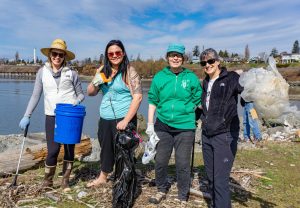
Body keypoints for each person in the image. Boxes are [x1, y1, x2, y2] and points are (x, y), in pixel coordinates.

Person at [19, 38, 84, 191]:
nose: (57, 57)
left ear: (64, 57)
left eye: (60, 55)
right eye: (54, 54)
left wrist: (77, 100)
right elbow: (35, 96)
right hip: (51, 115)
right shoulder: (42, 72)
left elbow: (81, 94)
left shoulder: (72, 73)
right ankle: (47, 183)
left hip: (69, 116)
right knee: (53, 150)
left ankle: (65, 182)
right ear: (49, 55)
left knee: (69, 149)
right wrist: (27, 115)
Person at [147, 43, 202, 204]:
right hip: (162, 124)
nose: (175, 58)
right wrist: (150, 124)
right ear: (167, 57)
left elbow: (199, 100)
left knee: (183, 163)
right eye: (172, 55)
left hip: (185, 126)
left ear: (183, 58)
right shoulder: (159, 77)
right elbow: (152, 100)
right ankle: (161, 189)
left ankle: (182, 195)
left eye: (178, 55)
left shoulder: (191, 77)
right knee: (160, 160)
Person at [86, 40, 142, 187]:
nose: (115, 55)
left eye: (118, 52)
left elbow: (138, 97)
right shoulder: (103, 70)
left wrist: (126, 120)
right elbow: (90, 92)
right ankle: (103, 177)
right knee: (106, 148)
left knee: (123, 150)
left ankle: (124, 179)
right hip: (105, 117)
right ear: (107, 55)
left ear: (123, 53)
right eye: (111, 53)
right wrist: (96, 80)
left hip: (124, 117)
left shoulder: (129, 71)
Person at [199, 48, 243, 208]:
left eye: (210, 61)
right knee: (211, 176)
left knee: (220, 180)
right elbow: (206, 107)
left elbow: (247, 91)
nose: (207, 65)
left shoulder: (231, 78)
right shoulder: (205, 83)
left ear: (218, 61)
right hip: (207, 134)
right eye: (204, 63)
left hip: (225, 135)